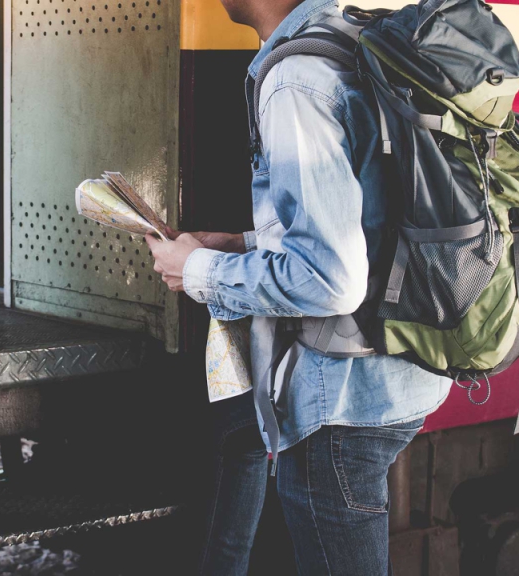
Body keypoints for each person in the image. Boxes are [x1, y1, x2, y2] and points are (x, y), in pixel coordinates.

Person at [145, 0, 453, 574]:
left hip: (339, 402)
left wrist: (195, 272)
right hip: (402, 368)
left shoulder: (294, 78)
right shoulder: (351, 34)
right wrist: (242, 244)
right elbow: (362, 215)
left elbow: (329, 279)